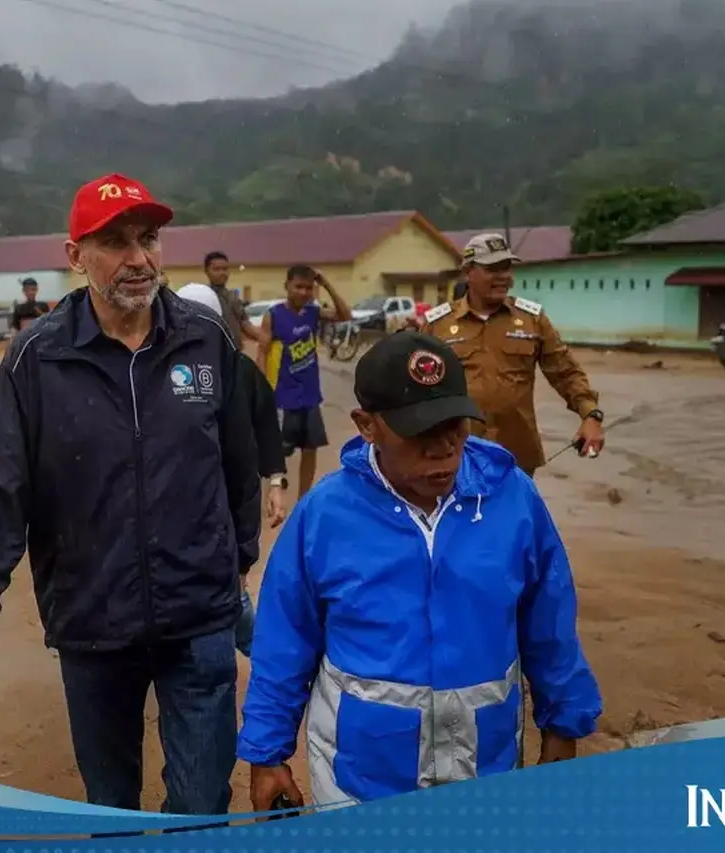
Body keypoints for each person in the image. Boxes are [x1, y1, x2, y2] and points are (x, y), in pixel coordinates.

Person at [0, 173, 261, 814]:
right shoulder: (38, 358)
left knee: (202, 804)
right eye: (115, 243)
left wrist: (234, 561)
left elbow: (237, 462)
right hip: (93, 623)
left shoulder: (205, 337)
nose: (138, 258)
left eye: (149, 239)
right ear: (76, 256)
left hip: (199, 617)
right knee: (111, 804)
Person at [238, 331, 602, 809]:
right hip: (358, 783)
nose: (444, 448)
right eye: (420, 432)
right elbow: (285, 643)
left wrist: (563, 727)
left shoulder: (512, 500)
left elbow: (550, 626)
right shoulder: (325, 515)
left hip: (484, 772)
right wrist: (267, 754)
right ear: (367, 426)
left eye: (455, 425)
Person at [421, 233, 604, 477]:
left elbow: (566, 372)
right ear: (468, 272)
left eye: (506, 268)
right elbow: (415, 387)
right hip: (457, 455)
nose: (503, 277)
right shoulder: (438, 325)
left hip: (516, 457)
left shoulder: (532, 320)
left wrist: (591, 416)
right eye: (492, 269)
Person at [176, 282, 287, 659]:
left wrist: (276, 482)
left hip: (228, 501)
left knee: (232, 597)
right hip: (181, 505)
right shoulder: (160, 373)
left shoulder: (240, 372)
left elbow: (266, 429)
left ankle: (271, 659)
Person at [254, 265, 352, 498]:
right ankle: (274, 498)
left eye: (308, 287)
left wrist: (326, 284)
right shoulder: (274, 315)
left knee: (310, 449)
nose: (303, 292)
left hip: (309, 395)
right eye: (298, 286)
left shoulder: (313, 313)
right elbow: (262, 352)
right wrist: (262, 390)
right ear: (286, 286)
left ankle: (304, 498)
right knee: (277, 454)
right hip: (282, 397)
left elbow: (345, 315)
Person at [203, 251, 262, 350]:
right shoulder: (203, 296)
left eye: (225, 269)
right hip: (212, 352)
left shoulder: (233, 297)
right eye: (216, 269)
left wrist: (266, 338)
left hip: (234, 351)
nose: (222, 273)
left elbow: (245, 324)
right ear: (206, 271)